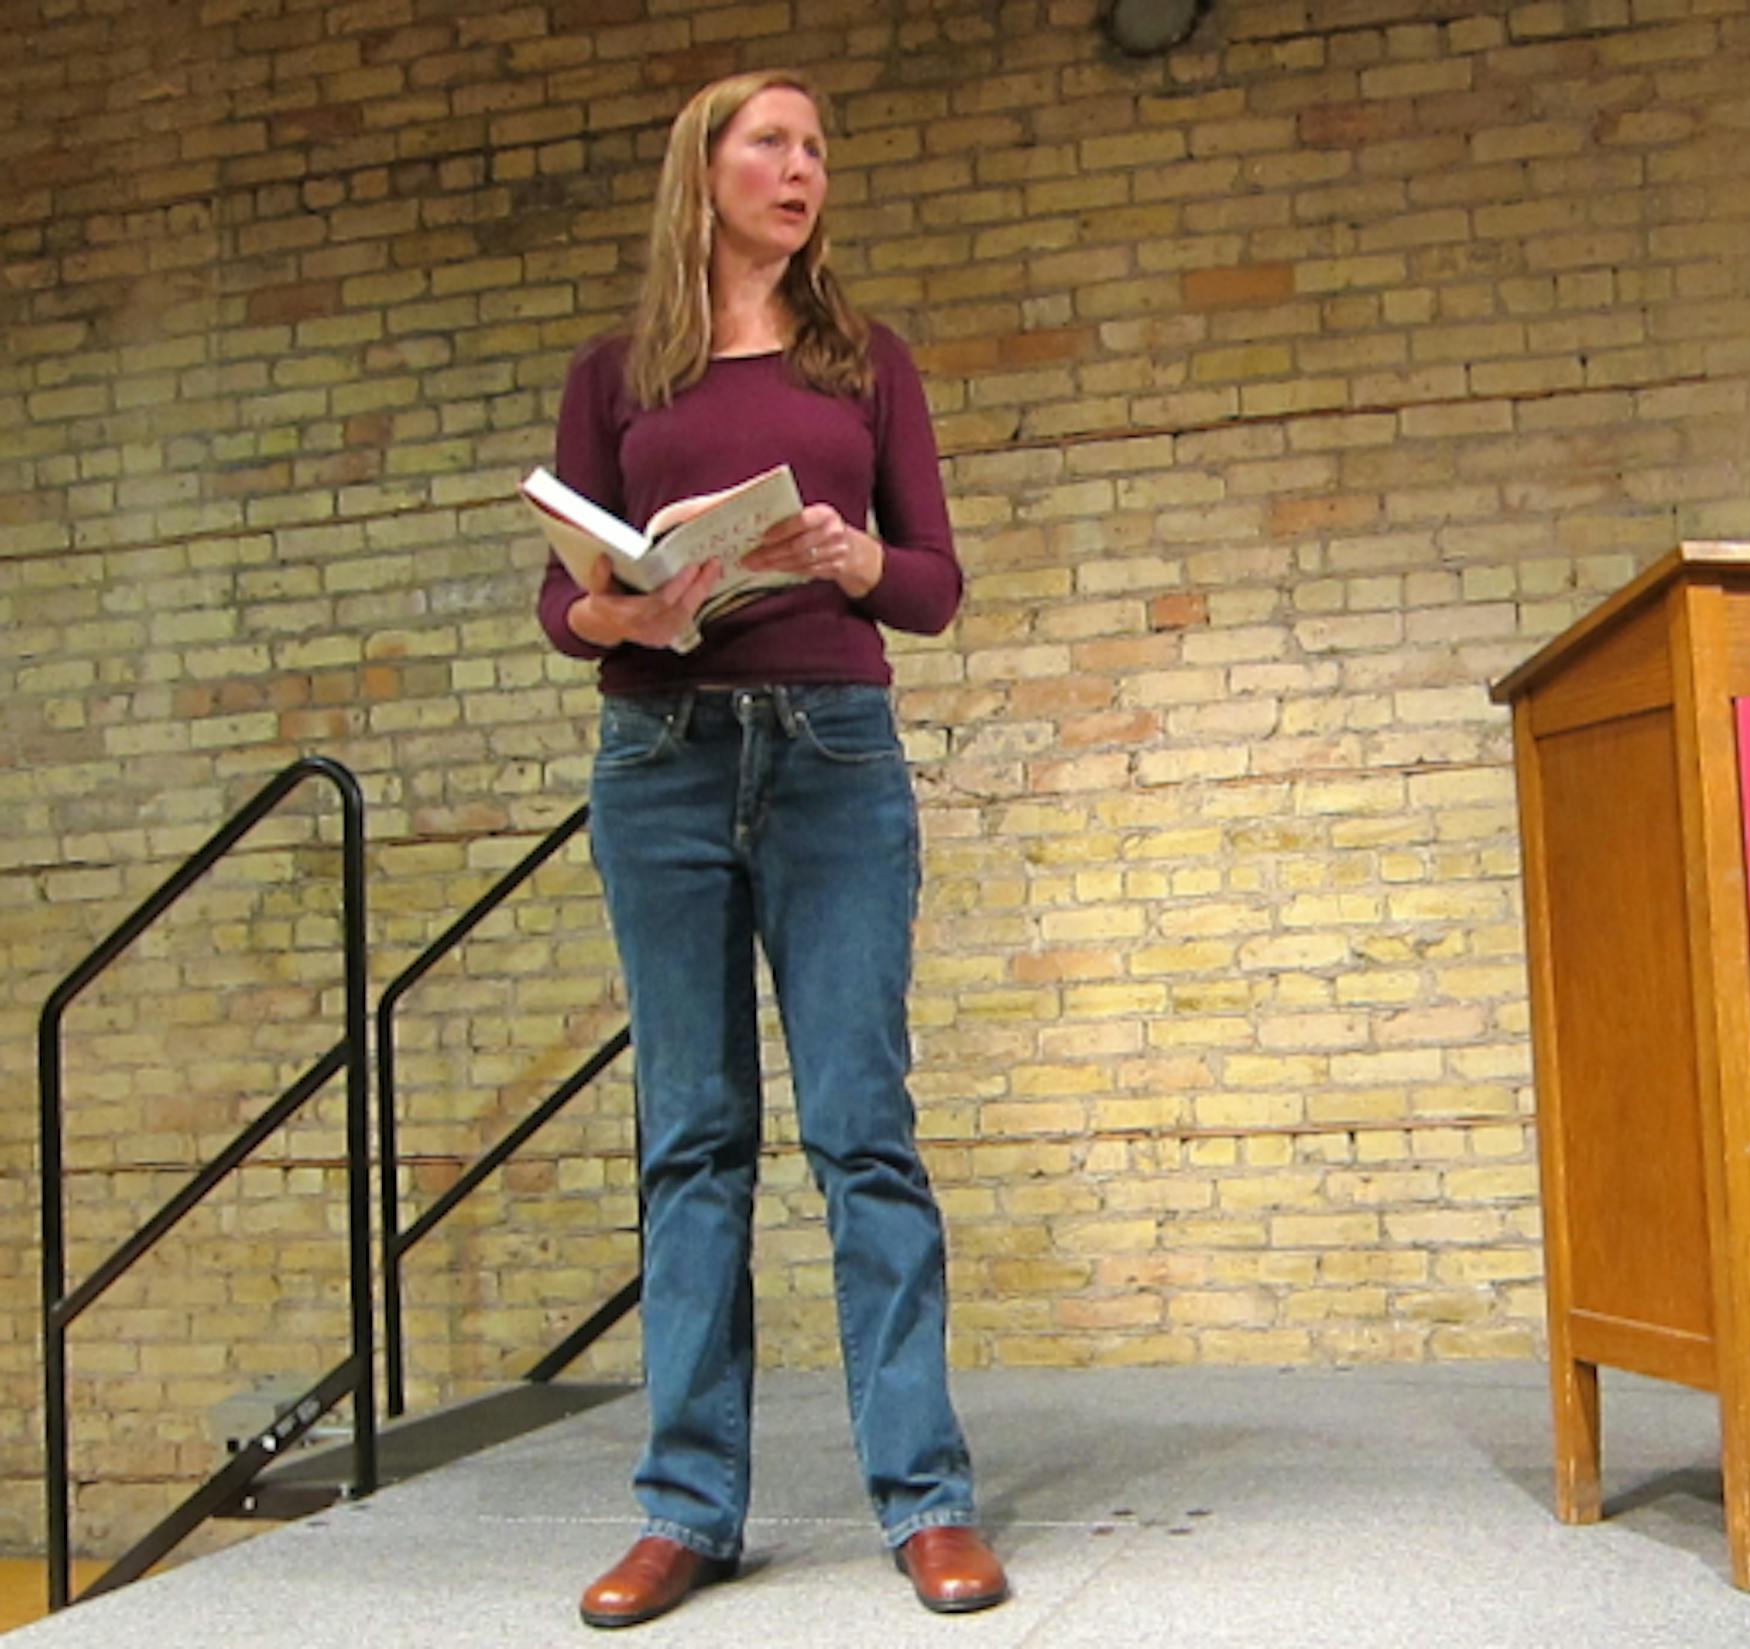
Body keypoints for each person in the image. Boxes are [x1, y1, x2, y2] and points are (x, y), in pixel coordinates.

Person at [535, 68, 1007, 1627]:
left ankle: (926, 1499)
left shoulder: (865, 364)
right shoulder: (618, 377)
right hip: (661, 763)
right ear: (708, 169)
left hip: (830, 758)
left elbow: (934, 583)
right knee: (692, 1142)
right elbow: (566, 601)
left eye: (817, 150)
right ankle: (686, 1508)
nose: (801, 169)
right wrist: (628, 606)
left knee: (864, 1131)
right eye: (772, 144)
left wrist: (858, 553)